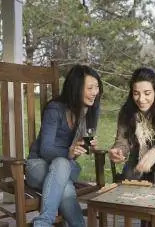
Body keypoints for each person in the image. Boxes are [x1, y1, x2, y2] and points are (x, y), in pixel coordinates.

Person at [25, 64, 103, 227]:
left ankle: (42, 223)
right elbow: (45, 150)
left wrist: (88, 145)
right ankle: (45, 222)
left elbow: (80, 145)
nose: (95, 92)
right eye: (90, 88)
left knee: (62, 165)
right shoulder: (55, 109)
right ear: (76, 88)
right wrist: (69, 152)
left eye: (96, 87)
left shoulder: (90, 110)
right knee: (66, 187)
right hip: (38, 165)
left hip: (67, 167)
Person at [108, 67, 155, 226]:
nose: (141, 99)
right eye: (136, 93)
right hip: (138, 159)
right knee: (131, 176)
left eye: (147, 93)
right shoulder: (127, 112)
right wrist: (118, 151)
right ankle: (149, 220)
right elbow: (122, 141)